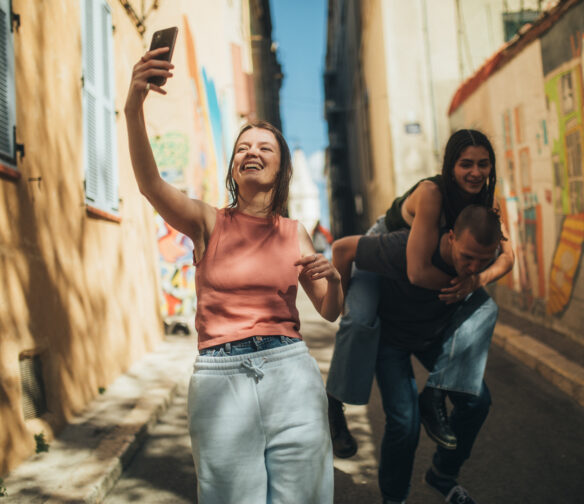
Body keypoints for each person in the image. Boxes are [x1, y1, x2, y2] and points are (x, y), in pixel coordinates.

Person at [124, 46, 343, 503]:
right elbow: (150, 184)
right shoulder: (207, 222)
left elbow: (329, 310)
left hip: (290, 374)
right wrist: (133, 105)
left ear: (280, 167)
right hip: (220, 377)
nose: (252, 152)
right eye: (243, 147)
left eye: (264, 148)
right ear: (233, 168)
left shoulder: (294, 232)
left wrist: (336, 279)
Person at [326, 129, 514, 457]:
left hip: (419, 258)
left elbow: (509, 257)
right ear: (449, 166)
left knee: (484, 308)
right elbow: (417, 270)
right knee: (359, 321)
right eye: (465, 164)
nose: (475, 172)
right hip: (385, 249)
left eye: (483, 164)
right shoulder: (432, 193)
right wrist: (343, 298)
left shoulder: (488, 203)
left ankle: (437, 393)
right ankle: (334, 406)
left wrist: (475, 281)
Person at [332, 204, 505, 504]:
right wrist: (347, 306)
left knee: (478, 401)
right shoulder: (402, 247)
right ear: (450, 237)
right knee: (404, 421)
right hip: (391, 340)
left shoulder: (483, 257)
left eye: (483, 260)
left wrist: (478, 279)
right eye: (467, 257)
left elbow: (507, 257)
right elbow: (343, 248)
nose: (474, 267)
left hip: (434, 337)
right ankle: (394, 498)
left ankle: (442, 474)